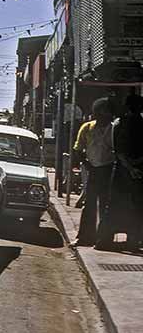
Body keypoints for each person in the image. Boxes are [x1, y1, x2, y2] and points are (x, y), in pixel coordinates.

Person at [102, 94, 143, 250]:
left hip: (121, 170)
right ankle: (133, 239)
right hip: (138, 170)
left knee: (114, 205)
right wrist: (135, 166)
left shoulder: (118, 123)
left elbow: (117, 150)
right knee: (137, 207)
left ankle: (106, 239)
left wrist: (129, 167)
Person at [71, 98, 114, 247]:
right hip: (93, 169)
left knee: (105, 205)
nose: (104, 115)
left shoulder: (113, 128)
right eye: (101, 112)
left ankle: (103, 238)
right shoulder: (87, 128)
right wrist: (86, 163)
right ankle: (84, 237)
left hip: (108, 169)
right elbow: (78, 148)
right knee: (89, 204)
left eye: (107, 112)